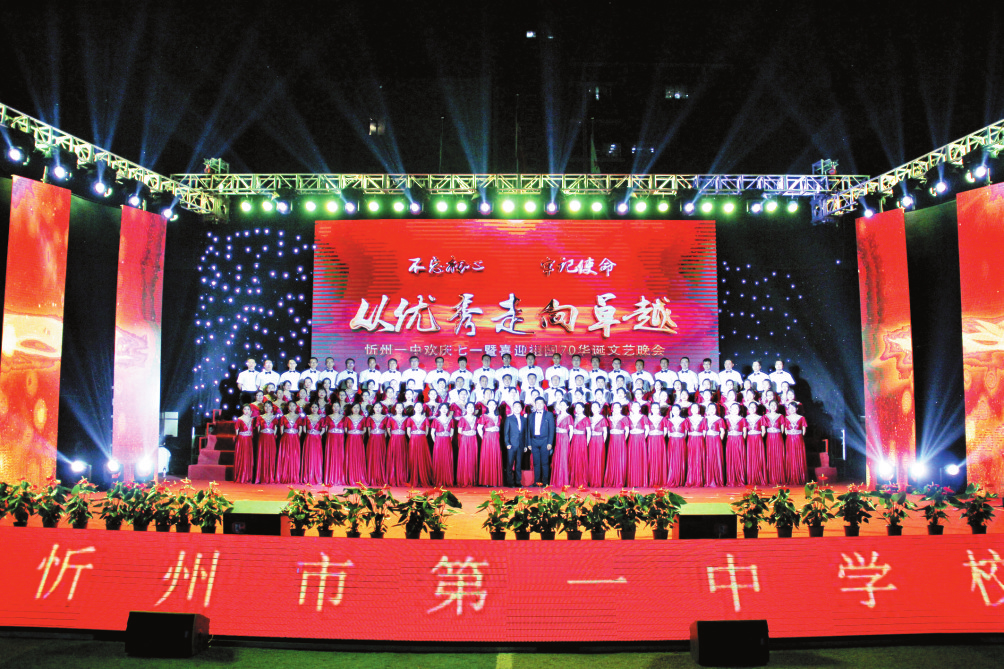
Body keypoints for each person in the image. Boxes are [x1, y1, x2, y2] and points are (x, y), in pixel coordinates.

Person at [525, 396, 556, 486]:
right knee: (536, 463)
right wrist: (529, 443)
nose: (539, 405)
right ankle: (537, 482)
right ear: (535, 404)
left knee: (545, 463)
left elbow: (551, 430)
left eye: (541, 403)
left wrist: (550, 443)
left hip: (545, 441)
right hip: (534, 441)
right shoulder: (531, 415)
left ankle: (545, 482)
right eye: (537, 403)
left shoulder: (549, 414)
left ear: (544, 404)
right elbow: (528, 430)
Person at [405, 402, 433, 487]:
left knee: (423, 457)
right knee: (413, 458)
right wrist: (414, 438)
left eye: (420, 406)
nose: (418, 408)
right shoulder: (410, 419)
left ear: (422, 408)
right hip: (413, 439)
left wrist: (421, 436)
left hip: (422, 439)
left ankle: (423, 477)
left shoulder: (425, 418)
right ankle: (414, 478)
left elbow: (427, 431)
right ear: (414, 408)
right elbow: (408, 432)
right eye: (417, 406)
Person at [477, 399, 503, 487]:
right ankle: (486, 481)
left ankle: (495, 481)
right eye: (490, 405)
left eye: (493, 405)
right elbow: (479, 428)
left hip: (496, 438)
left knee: (495, 456)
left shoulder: (499, 417)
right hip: (487, 438)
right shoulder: (484, 416)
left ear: (496, 406)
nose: (492, 406)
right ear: (487, 406)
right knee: (487, 457)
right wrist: (483, 437)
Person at [299, 402, 325, 485]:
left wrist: (318, 435)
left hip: (317, 439)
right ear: (310, 408)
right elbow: (304, 429)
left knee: (316, 456)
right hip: (309, 438)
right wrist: (310, 433)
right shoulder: (307, 417)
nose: (314, 409)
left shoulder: (321, 418)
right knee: (308, 455)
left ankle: (316, 476)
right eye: (313, 407)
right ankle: (307, 477)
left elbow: (323, 430)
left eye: (316, 407)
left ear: (318, 408)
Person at [277, 402, 303, 484]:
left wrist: (295, 437)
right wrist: (286, 436)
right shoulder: (283, 417)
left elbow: (300, 430)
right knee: (285, 456)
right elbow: (281, 430)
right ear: (288, 407)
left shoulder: (299, 417)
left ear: (296, 407)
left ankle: (294, 476)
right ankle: (284, 475)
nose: (292, 407)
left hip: (295, 438)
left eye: (293, 405)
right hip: (286, 438)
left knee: (294, 456)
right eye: (290, 405)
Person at [455, 402, 480, 487]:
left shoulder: (476, 418)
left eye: (472, 407)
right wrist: (467, 434)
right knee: (465, 457)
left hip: (473, 439)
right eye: (468, 407)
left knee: (472, 458)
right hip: (465, 439)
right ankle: (464, 479)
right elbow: (459, 431)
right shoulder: (462, 418)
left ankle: (472, 479)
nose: (470, 409)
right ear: (466, 409)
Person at [626, 401, 650, 487]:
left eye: (637, 406)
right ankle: (632, 481)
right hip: (632, 439)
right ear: (631, 408)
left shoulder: (644, 417)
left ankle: (641, 481)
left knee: (640, 458)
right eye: (633, 406)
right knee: (632, 458)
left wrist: (643, 438)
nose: (635, 408)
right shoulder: (628, 418)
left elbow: (647, 429)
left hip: (641, 439)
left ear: (639, 408)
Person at [783, 402, 808, 485]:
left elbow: (804, 431)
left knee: (799, 456)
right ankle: (791, 477)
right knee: (790, 456)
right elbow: (785, 431)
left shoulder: (802, 418)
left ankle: (800, 477)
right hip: (789, 439)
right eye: (790, 408)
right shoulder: (786, 418)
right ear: (788, 409)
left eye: (793, 407)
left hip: (798, 439)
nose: (792, 409)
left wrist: (797, 435)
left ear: (797, 409)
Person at [604, 403, 628, 486]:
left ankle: (619, 480)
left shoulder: (624, 418)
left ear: (620, 408)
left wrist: (623, 440)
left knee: (620, 459)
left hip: (621, 440)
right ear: (612, 409)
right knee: (612, 458)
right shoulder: (609, 418)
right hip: (612, 440)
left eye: (618, 407)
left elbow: (627, 431)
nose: (616, 409)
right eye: (614, 407)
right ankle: (611, 479)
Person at [386, 403, 410, 486]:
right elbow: (388, 429)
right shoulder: (391, 418)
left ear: (403, 409)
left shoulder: (406, 418)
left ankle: (402, 477)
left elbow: (408, 429)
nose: (399, 409)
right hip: (394, 439)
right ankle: (393, 477)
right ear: (395, 409)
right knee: (394, 457)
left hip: (402, 439)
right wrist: (393, 436)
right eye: (398, 408)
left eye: (401, 408)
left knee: (402, 458)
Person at [344, 402, 368, 485]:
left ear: (360, 409)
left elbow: (365, 430)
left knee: (359, 457)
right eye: (354, 407)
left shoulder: (363, 418)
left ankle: (359, 477)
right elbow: (346, 430)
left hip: (359, 440)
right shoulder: (347, 418)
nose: (356, 409)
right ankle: (351, 477)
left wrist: (358, 433)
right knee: (351, 457)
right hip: (350, 440)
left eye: (357, 407)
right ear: (351, 409)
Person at [504, 401, 527, 487]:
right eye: (515, 407)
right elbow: (506, 433)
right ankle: (510, 482)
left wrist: (525, 445)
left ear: (521, 409)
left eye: (519, 407)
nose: (517, 408)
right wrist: (507, 443)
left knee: (518, 464)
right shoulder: (509, 418)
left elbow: (525, 433)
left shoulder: (524, 419)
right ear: (512, 408)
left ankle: (518, 481)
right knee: (510, 464)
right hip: (511, 445)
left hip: (521, 445)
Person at [255, 402, 279, 484]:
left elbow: (275, 430)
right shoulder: (260, 417)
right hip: (263, 439)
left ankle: (270, 477)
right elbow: (258, 430)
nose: (268, 408)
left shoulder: (275, 418)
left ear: (272, 408)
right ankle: (261, 477)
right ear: (263, 408)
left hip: (271, 439)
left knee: (271, 456)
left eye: (269, 406)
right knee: (262, 455)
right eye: (266, 406)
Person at [322, 404, 346, 486]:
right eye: (334, 406)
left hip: (340, 439)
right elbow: (326, 430)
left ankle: (339, 478)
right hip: (331, 439)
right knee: (331, 455)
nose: (335, 408)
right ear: (332, 407)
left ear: (340, 407)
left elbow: (345, 429)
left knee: (339, 457)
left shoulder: (344, 418)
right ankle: (330, 478)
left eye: (337, 406)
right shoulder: (328, 417)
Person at [432, 404, 455, 486]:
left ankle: (447, 479)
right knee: (439, 459)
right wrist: (436, 441)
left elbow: (452, 432)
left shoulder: (451, 420)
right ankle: (438, 479)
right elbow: (432, 432)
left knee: (447, 458)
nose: (444, 410)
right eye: (442, 408)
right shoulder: (436, 420)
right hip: (438, 441)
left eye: (446, 408)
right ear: (439, 409)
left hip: (447, 441)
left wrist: (448, 439)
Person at [724, 402, 747, 487]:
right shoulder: (726, 419)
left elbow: (745, 432)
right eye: (733, 409)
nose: (734, 410)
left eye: (736, 408)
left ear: (739, 410)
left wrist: (741, 441)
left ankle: (741, 478)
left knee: (739, 458)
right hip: (730, 440)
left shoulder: (742, 419)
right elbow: (726, 432)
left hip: (739, 440)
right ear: (730, 410)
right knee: (730, 458)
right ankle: (731, 479)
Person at [550, 400, 573, 487]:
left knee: (563, 458)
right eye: (561, 405)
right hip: (557, 437)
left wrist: (568, 440)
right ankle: (556, 480)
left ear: (567, 407)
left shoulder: (569, 416)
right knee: (557, 457)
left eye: (564, 405)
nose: (562, 406)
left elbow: (571, 430)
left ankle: (563, 480)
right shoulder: (557, 416)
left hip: (564, 438)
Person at [365, 403, 388, 485]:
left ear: (382, 408)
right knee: (372, 457)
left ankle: (381, 476)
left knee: (381, 457)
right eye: (376, 407)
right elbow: (368, 431)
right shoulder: (369, 418)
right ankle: (372, 477)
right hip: (372, 439)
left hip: (381, 439)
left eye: (379, 407)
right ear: (373, 408)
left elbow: (386, 431)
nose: (377, 409)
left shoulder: (385, 418)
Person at [763, 400, 786, 486]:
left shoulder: (781, 416)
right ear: (769, 407)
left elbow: (782, 430)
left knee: (779, 455)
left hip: (778, 437)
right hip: (769, 438)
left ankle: (779, 477)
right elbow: (764, 429)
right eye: (771, 405)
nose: (773, 407)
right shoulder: (765, 416)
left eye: (775, 405)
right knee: (770, 456)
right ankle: (771, 478)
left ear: (777, 407)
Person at [745, 402, 767, 487]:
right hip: (749, 439)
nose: (752, 409)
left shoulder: (760, 418)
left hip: (758, 439)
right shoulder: (746, 418)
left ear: (756, 408)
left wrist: (758, 438)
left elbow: (763, 431)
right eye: (751, 407)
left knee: (758, 456)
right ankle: (751, 477)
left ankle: (760, 476)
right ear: (748, 409)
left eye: (754, 407)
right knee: (750, 457)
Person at [586, 401, 608, 487]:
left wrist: (602, 442)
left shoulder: (602, 419)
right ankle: (591, 480)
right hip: (592, 440)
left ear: (599, 408)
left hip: (599, 440)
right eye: (593, 407)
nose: (594, 409)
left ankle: (598, 481)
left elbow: (605, 432)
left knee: (599, 459)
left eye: (596, 407)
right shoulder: (589, 419)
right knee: (591, 459)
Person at [704, 403, 725, 487]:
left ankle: (718, 479)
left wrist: (719, 441)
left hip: (716, 439)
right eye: (710, 408)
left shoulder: (720, 419)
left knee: (717, 457)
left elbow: (722, 432)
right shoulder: (705, 419)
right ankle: (708, 479)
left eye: (713, 408)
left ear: (716, 410)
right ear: (707, 410)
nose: (712, 410)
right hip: (708, 439)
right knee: (708, 458)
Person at [665, 404, 687, 487]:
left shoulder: (684, 420)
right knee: (672, 459)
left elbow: (685, 433)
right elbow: (668, 434)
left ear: (680, 411)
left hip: (681, 441)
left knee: (681, 458)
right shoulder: (668, 421)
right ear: (671, 411)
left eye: (677, 410)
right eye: (674, 410)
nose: (675, 412)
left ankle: (680, 479)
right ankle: (672, 477)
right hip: (672, 442)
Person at [684, 404, 706, 487]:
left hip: (700, 440)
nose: (694, 409)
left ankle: (699, 480)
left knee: (699, 458)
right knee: (691, 458)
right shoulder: (687, 419)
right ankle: (691, 479)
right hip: (691, 440)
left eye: (696, 408)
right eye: (693, 408)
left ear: (699, 409)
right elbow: (686, 432)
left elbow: (704, 432)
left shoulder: (703, 419)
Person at [647, 402, 668, 487]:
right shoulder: (647, 419)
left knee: (660, 458)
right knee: (651, 458)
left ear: (659, 409)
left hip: (660, 440)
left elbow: (665, 431)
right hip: (651, 440)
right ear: (651, 410)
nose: (655, 410)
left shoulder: (663, 419)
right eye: (653, 408)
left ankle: (661, 479)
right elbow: (646, 430)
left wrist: (660, 437)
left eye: (657, 408)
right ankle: (651, 479)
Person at [234, 404, 256, 483]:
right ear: (242, 410)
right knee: (242, 457)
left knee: (248, 457)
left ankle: (248, 476)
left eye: (248, 409)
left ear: (250, 411)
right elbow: (237, 431)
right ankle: (241, 476)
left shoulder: (252, 420)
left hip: (249, 440)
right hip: (242, 440)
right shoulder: (239, 419)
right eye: (245, 409)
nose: (246, 411)